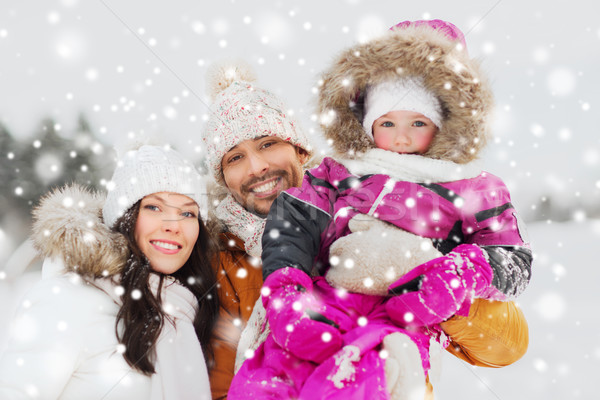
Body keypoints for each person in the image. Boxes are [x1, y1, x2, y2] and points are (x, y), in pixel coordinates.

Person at [230, 19, 532, 399]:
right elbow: (294, 222)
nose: (401, 137)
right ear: (368, 124)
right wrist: (287, 288)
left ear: (446, 125)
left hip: (405, 309)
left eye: (418, 122)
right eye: (387, 122)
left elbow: (512, 257)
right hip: (330, 296)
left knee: (370, 374)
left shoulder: (471, 185)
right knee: (276, 369)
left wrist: (460, 275)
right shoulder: (340, 172)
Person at [0, 145, 218, 400]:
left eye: (187, 213)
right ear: (122, 216)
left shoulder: (184, 312)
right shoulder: (67, 300)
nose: (173, 226)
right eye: (154, 207)